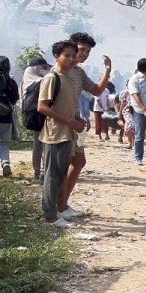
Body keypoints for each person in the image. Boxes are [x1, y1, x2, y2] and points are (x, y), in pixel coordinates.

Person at [59, 32, 112, 220]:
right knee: (64, 165)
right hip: (62, 124)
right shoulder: (60, 71)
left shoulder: (79, 72)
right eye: (81, 50)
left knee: (78, 162)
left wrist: (107, 71)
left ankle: (62, 204)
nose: (84, 54)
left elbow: (96, 90)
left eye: (87, 52)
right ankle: (58, 206)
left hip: (74, 123)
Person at [37, 41, 86, 228]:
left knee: (60, 174)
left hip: (67, 133)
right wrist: (70, 121)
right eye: (67, 55)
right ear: (57, 56)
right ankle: (50, 216)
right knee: (53, 175)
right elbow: (42, 107)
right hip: (55, 134)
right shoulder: (52, 78)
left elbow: (65, 106)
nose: (72, 58)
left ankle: (57, 211)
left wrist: (77, 119)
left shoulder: (68, 78)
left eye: (74, 55)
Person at [22, 55, 52, 179]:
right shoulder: (42, 81)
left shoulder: (26, 80)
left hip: (31, 116)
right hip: (43, 115)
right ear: (37, 68)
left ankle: (37, 172)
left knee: (37, 143)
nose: (46, 69)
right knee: (45, 143)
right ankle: (44, 171)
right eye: (44, 67)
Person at [0, 56, 20, 177]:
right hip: (5, 116)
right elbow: (14, 99)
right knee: (3, 143)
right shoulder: (11, 81)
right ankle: (5, 162)